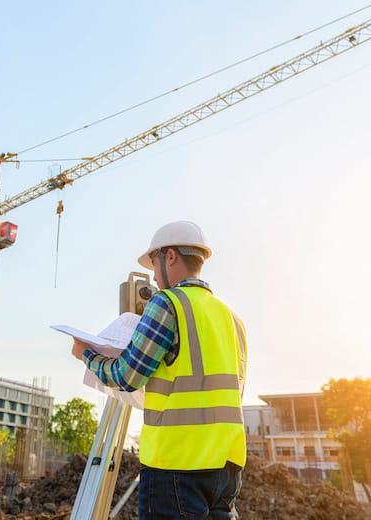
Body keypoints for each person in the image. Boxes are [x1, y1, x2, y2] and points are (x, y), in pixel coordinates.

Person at [71, 220, 248, 519]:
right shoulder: (233, 319)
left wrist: (86, 354)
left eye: (154, 263)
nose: (153, 275)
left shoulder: (167, 304)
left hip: (176, 466)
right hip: (227, 468)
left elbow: (125, 377)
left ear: (170, 257)